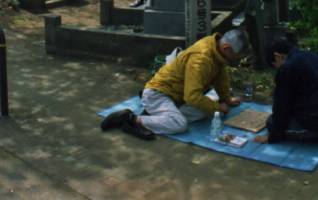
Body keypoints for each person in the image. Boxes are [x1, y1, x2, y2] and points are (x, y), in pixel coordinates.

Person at [101, 30, 247, 140]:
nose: (236, 59)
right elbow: (192, 98)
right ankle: (130, 119)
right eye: (236, 55)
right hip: (159, 92)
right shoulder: (201, 59)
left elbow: (221, 78)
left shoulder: (215, 48)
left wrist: (226, 100)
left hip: (177, 96)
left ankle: (160, 116)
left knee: (210, 110)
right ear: (226, 48)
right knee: (180, 125)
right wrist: (217, 106)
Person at [253, 37, 318, 144]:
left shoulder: (287, 68)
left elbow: (281, 107)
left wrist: (272, 137)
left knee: (271, 122)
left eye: (275, 66)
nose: (277, 70)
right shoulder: (309, 54)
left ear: (277, 56)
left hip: (317, 122)